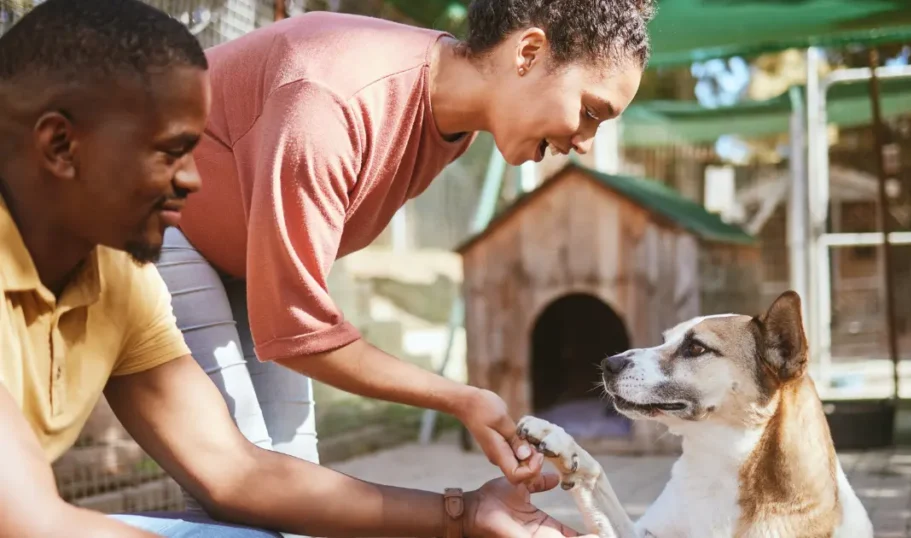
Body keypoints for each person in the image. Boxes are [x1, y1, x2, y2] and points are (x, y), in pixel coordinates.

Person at [0, 1, 590, 537]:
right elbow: (34, 524)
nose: (195, 179)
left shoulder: (119, 283)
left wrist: (462, 516)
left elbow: (238, 476)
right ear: (58, 145)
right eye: (169, 152)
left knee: (273, 514)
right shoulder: (329, 96)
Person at [160, 0, 653, 508]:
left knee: (291, 473)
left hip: (240, 259)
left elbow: (290, 322)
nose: (587, 143)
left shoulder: (451, 123)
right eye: (590, 111)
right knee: (245, 484)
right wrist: (458, 399)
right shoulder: (333, 100)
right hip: (158, 223)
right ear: (527, 51)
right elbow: (296, 330)